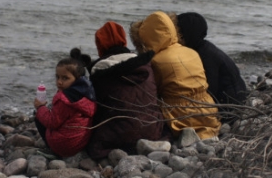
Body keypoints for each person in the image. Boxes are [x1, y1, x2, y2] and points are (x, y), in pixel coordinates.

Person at [131, 11, 221, 140]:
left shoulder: (157, 61)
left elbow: (154, 91)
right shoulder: (191, 52)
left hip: (179, 114)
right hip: (207, 109)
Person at [86, 21, 164, 159]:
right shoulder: (145, 64)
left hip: (117, 135)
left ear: (100, 45)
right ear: (124, 40)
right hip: (153, 130)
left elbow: (97, 107)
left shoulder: (100, 70)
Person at [175, 12, 248, 122]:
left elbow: (210, 89)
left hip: (230, 108)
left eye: (178, 32)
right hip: (236, 100)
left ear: (186, 33)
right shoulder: (204, 48)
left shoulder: (206, 55)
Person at [34, 48, 96, 158]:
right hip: (79, 143)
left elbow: (51, 122)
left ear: (77, 79)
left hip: (63, 146)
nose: (59, 82)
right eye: (57, 77)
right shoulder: (88, 94)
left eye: (65, 78)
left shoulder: (65, 99)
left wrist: (40, 108)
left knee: (38, 117)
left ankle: (52, 150)